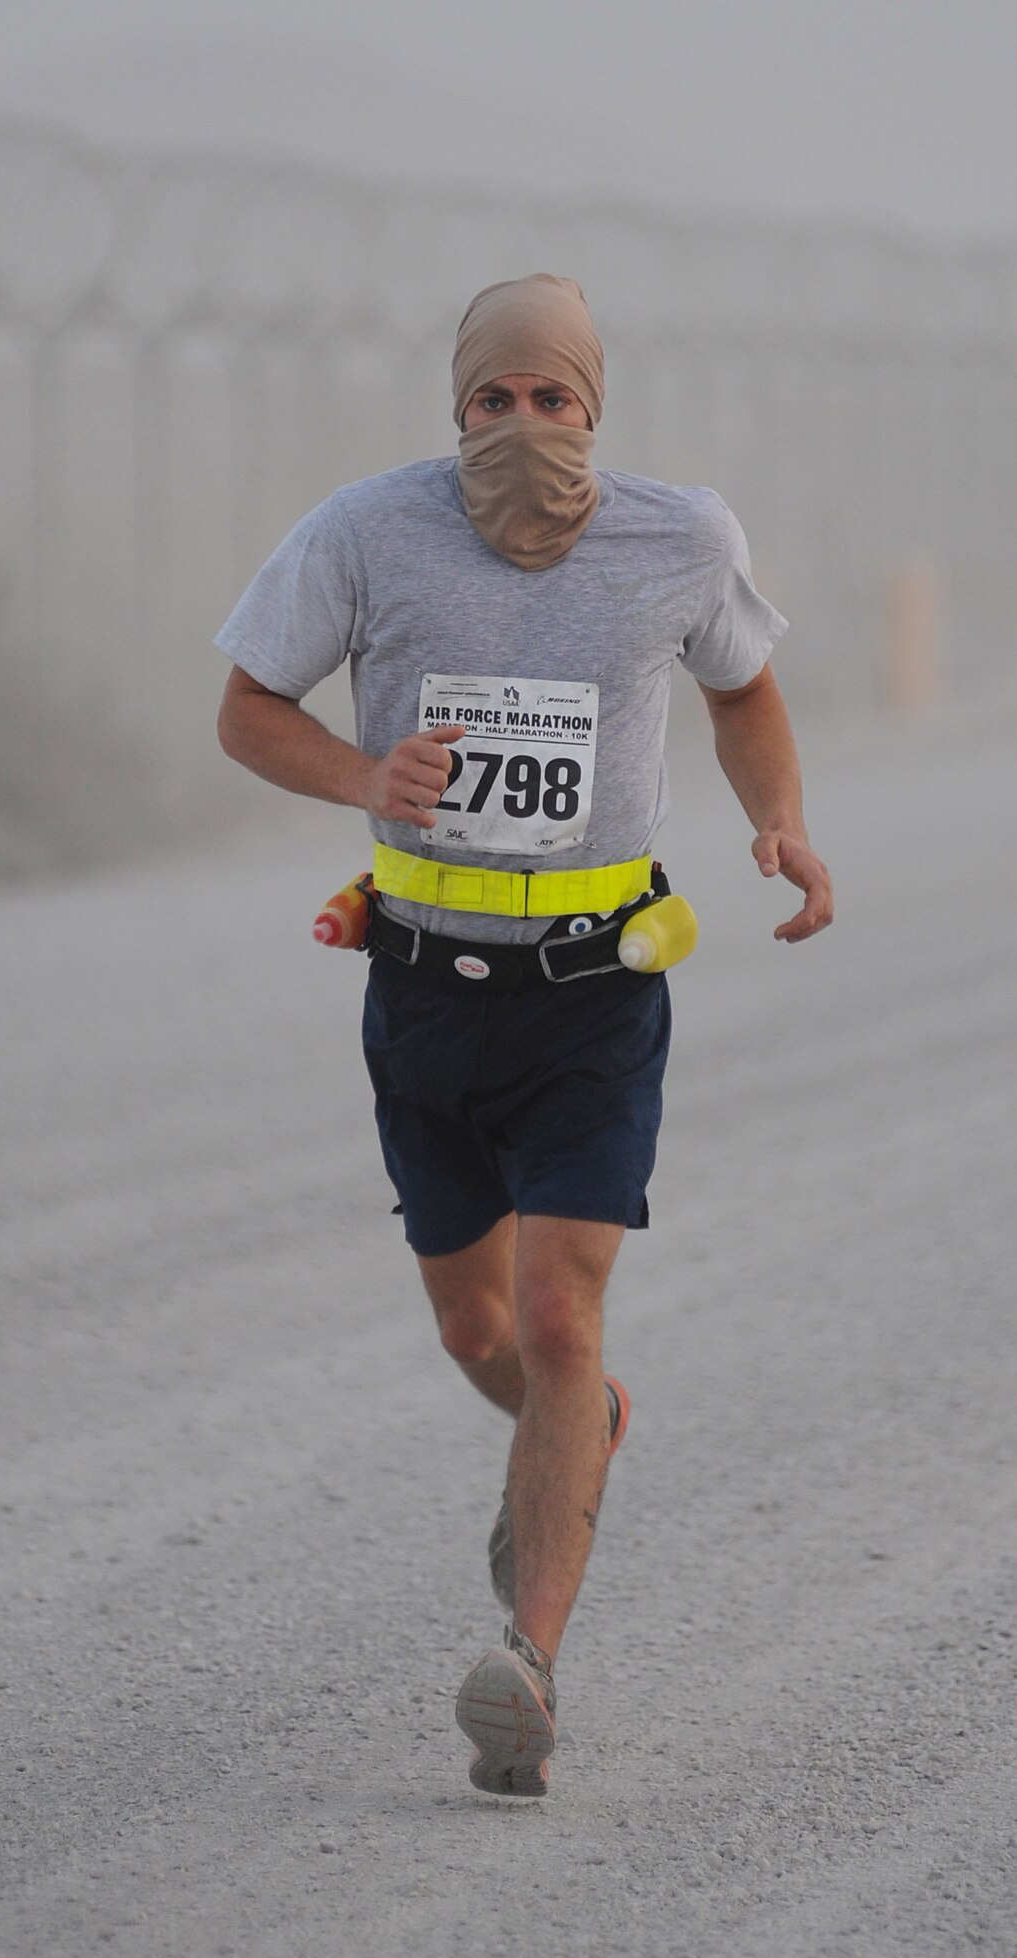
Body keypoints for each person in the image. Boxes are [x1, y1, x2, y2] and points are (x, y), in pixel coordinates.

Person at [215, 273, 833, 1798]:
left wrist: (784, 827)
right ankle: (588, 1429)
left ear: (595, 408)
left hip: (594, 991)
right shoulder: (368, 531)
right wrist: (371, 778)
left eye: (553, 400)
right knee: (477, 1332)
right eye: (494, 400)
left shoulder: (679, 537)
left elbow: (747, 691)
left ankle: (529, 1666)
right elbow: (244, 710)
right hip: (424, 989)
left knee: (559, 1316)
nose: (523, 427)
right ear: (457, 407)